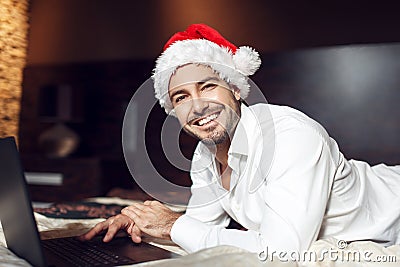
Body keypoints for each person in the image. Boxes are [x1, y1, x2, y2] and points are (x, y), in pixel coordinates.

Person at [81, 24, 400, 255]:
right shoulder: (205, 156)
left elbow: (281, 254)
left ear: (235, 88)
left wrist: (171, 225)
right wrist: (142, 223)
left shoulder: (290, 136)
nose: (197, 105)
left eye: (207, 87)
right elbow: (197, 228)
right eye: (181, 96)